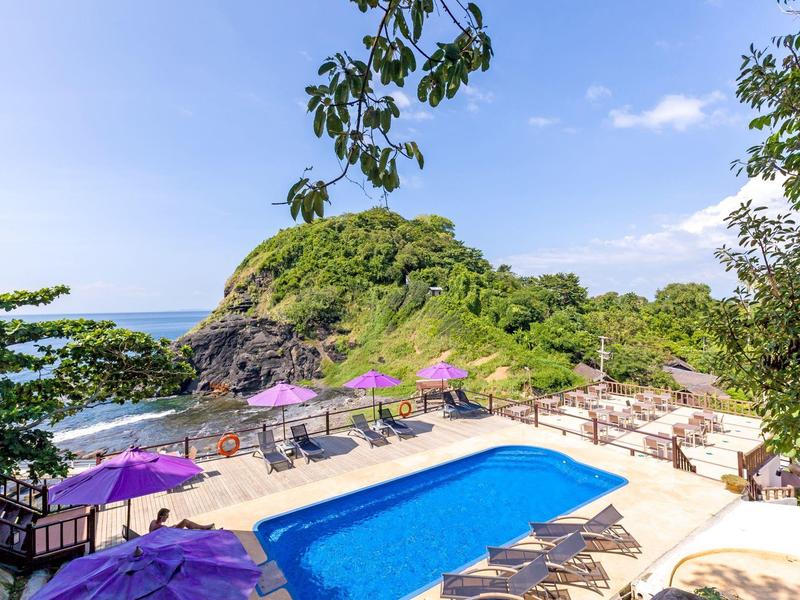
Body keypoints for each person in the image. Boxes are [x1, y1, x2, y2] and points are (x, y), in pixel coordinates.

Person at [149, 508, 214, 533]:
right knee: (185, 521)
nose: (168, 518)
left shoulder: (153, 522)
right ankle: (204, 528)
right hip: (169, 538)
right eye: (167, 516)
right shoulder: (162, 527)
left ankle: (203, 527)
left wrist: (171, 527)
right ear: (161, 516)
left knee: (176, 525)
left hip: (163, 537)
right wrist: (171, 527)